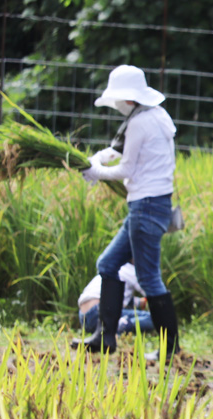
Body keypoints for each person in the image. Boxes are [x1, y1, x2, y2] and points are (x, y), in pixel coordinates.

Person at [78, 65, 180, 359]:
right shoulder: (156, 115)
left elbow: (127, 168)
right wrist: (96, 159)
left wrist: (94, 171)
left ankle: (169, 349)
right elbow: (120, 151)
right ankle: (104, 337)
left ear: (127, 98)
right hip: (152, 204)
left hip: (146, 206)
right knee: (108, 263)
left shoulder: (139, 123)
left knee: (149, 279)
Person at [76, 263, 154, 336]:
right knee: (153, 319)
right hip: (99, 313)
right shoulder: (132, 271)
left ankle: (119, 325)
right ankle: (121, 328)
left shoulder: (115, 268)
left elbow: (120, 298)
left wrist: (140, 302)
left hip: (84, 318)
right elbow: (154, 294)